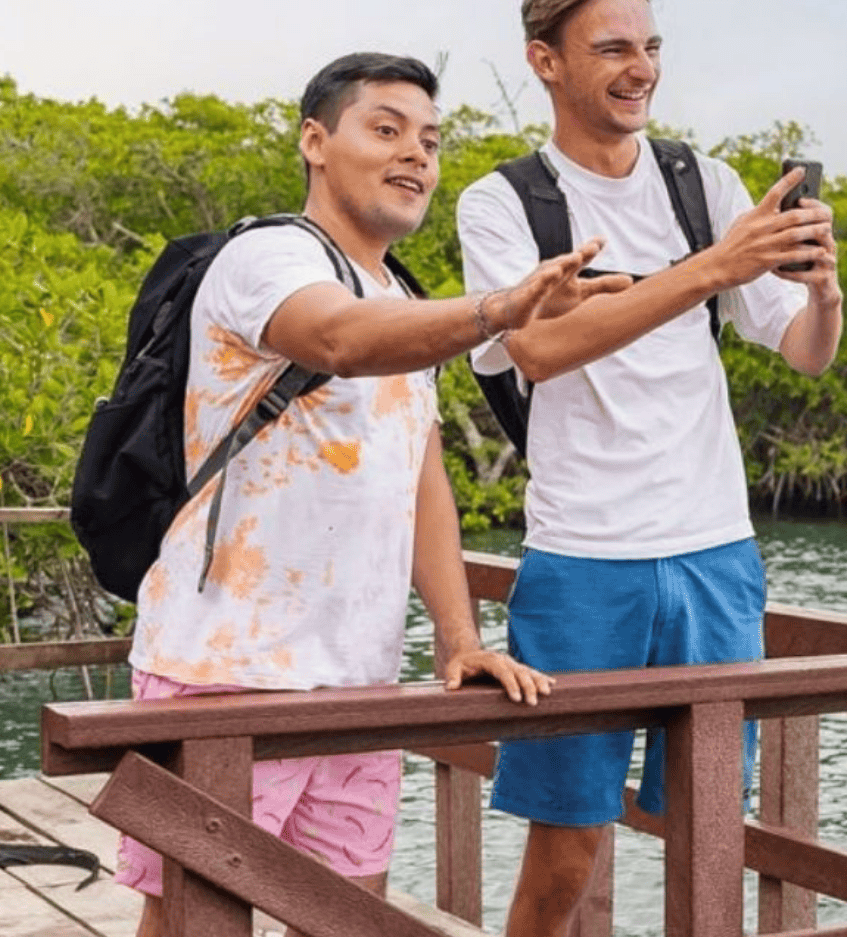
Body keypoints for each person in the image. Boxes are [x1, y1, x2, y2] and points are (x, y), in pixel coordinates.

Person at [120, 51, 628, 937]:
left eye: (429, 140)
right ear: (315, 142)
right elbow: (338, 338)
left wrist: (459, 639)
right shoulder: (266, 255)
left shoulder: (403, 296)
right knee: (194, 924)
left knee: (349, 918)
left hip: (359, 685)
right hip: (225, 674)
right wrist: (498, 308)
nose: (415, 155)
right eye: (385, 129)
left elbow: (420, 480)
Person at [456, 0, 844, 936]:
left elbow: (802, 351)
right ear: (545, 61)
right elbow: (535, 350)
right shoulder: (502, 203)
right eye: (613, 49)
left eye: (651, 46)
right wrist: (709, 267)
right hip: (583, 557)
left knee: (710, 831)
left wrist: (824, 294)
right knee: (567, 848)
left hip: (715, 551)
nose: (641, 69)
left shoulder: (699, 182)